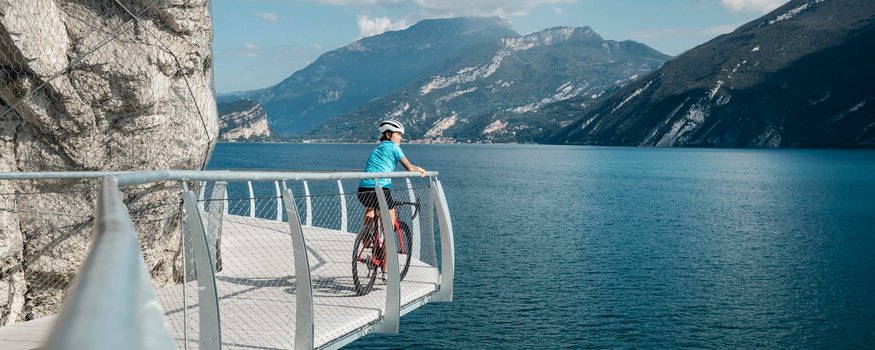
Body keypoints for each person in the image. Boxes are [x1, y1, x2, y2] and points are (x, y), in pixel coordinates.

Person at [356, 119, 426, 232]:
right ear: (388, 134)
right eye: (398, 134)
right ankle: (386, 248)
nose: (401, 138)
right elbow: (409, 167)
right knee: (389, 217)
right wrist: (420, 170)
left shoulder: (378, 148)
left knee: (371, 208)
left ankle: (366, 235)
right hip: (380, 190)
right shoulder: (394, 147)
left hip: (362, 191)